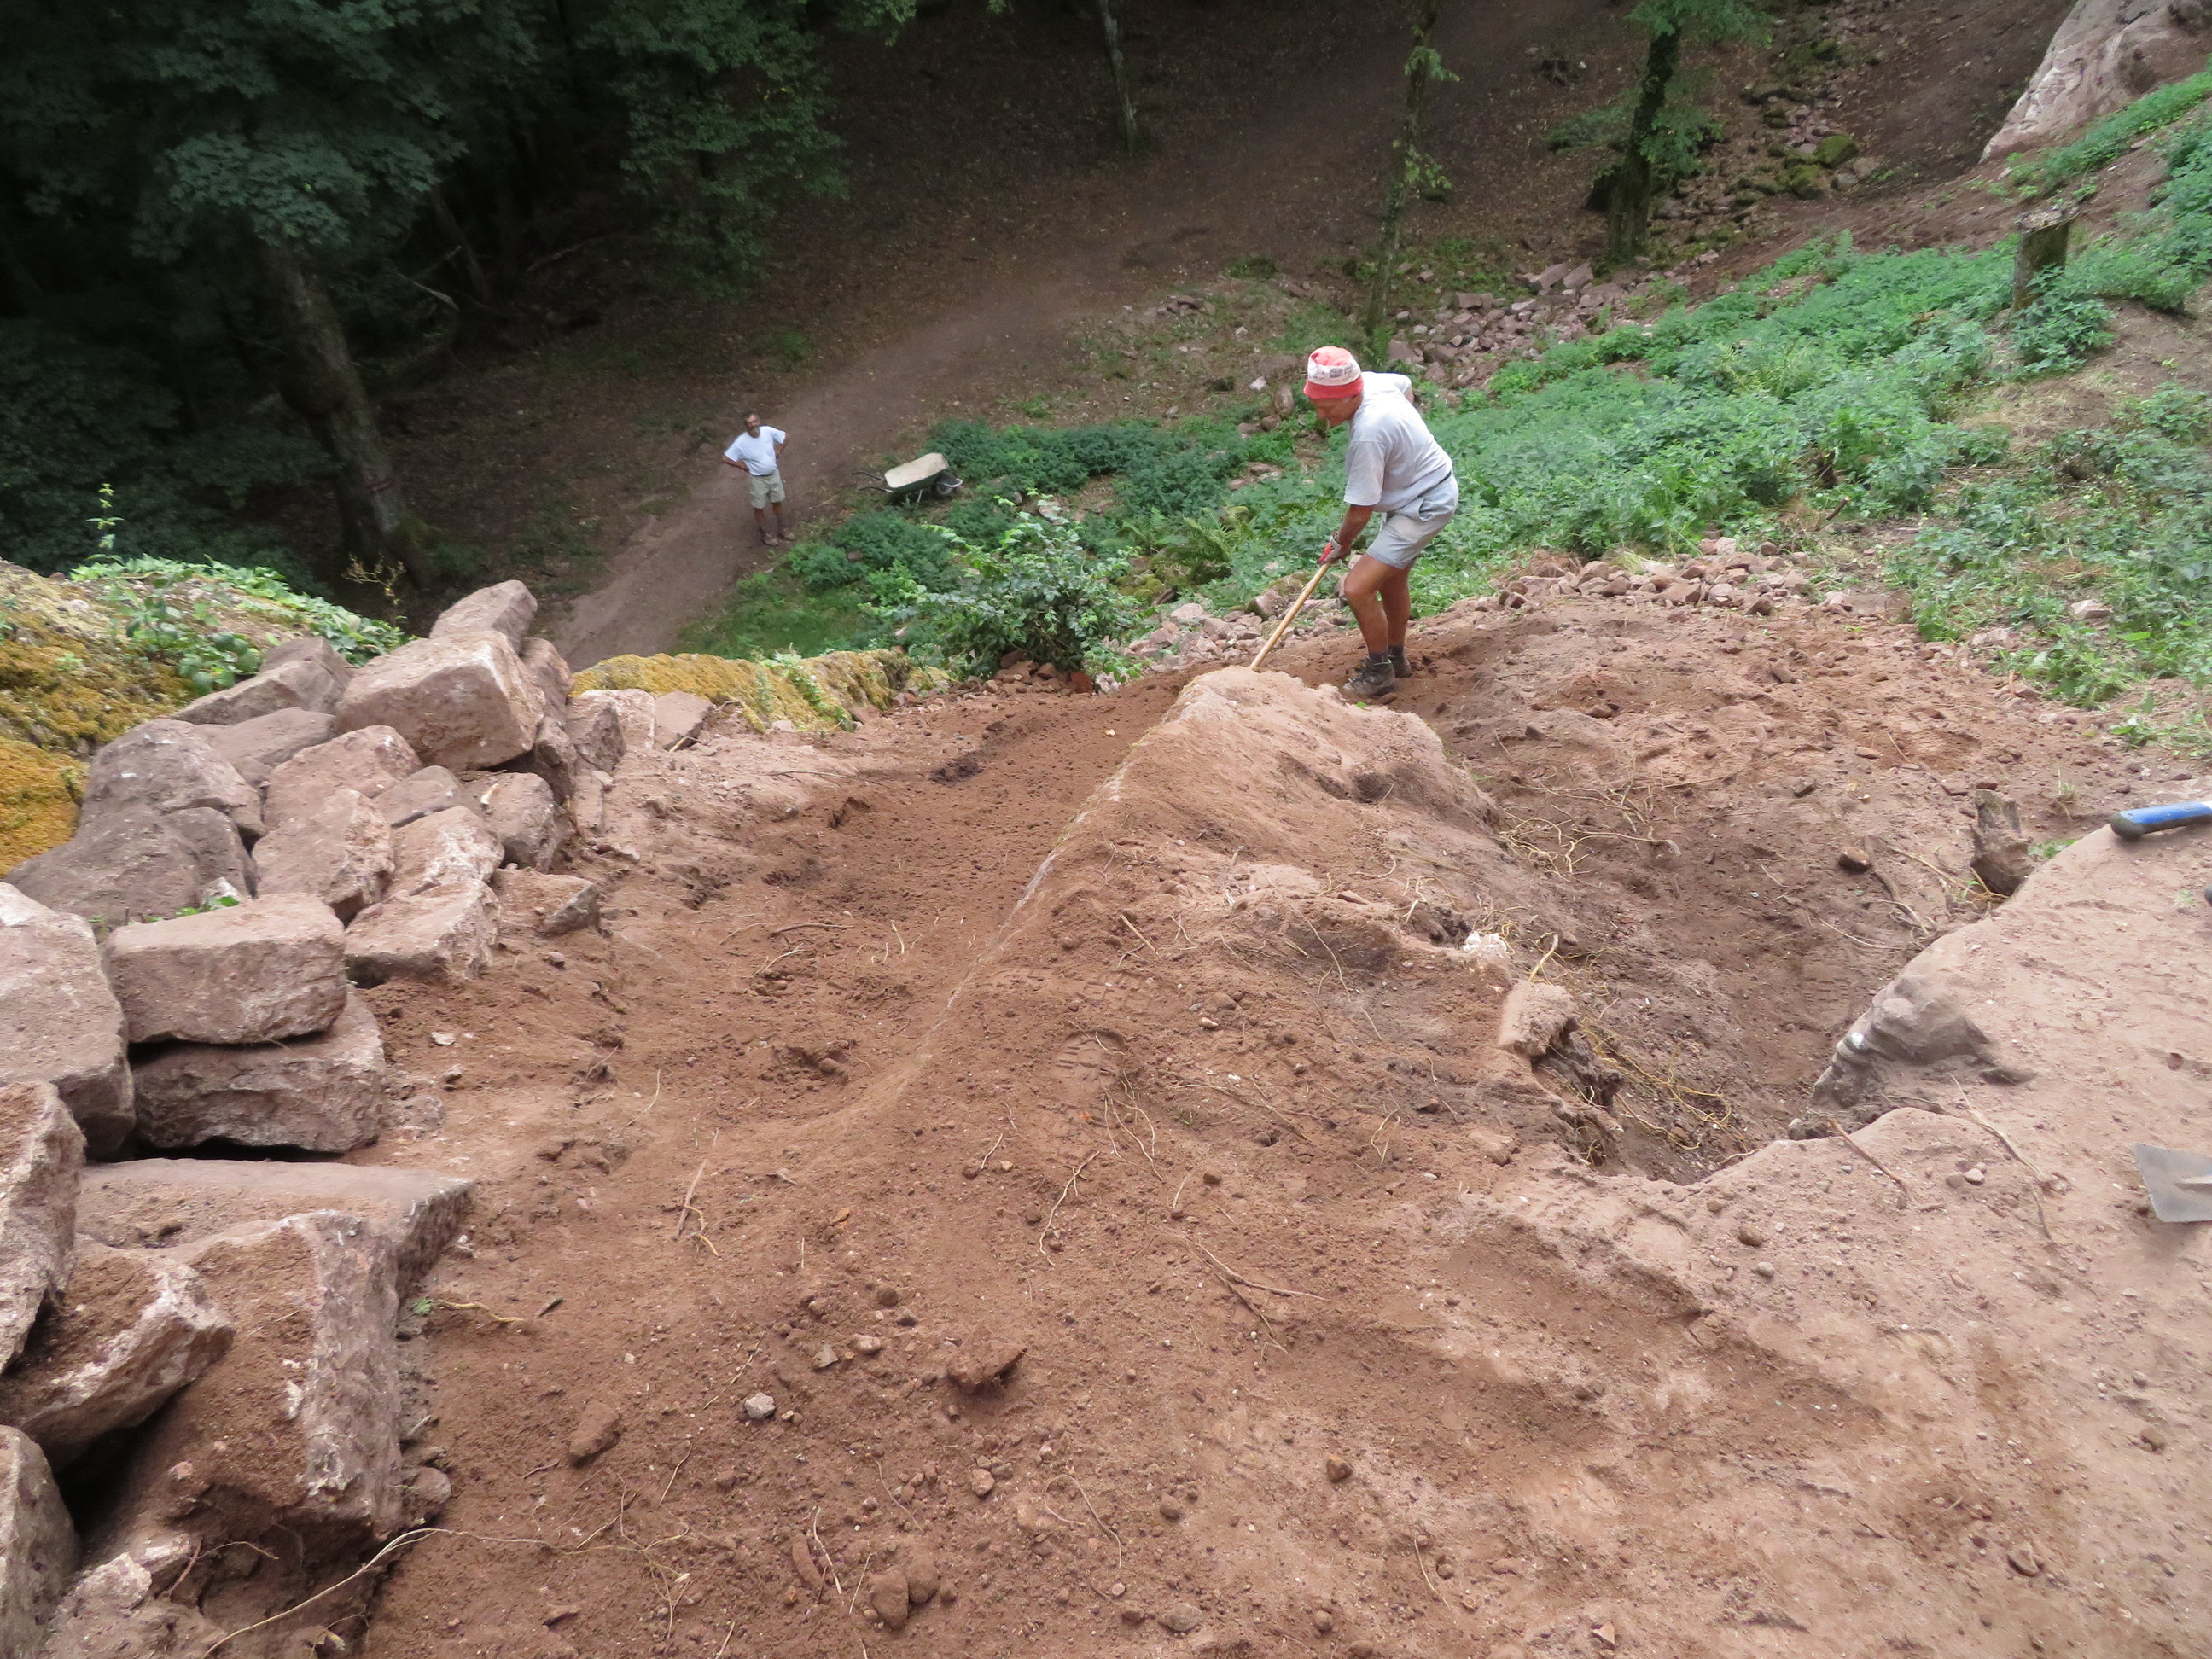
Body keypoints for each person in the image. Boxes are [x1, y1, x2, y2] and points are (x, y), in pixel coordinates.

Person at [1301, 346, 1458, 700]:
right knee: (1391, 577)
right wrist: (1405, 444)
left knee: (1357, 588)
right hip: (1420, 491)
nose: (1321, 415)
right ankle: (1396, 657)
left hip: (1426, 503)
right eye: (1316, 405)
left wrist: (1340, 543)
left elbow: (1361, 511)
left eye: (1327, 406)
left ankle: (1379, 671)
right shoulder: (1374, 383)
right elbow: (1405, 386)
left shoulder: (1369, 434)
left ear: (1350, 393)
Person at [722, 412, 790, 547]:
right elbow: (725, 458)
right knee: (759, 507)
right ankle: (764, 534)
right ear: (746, 426)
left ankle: (782, 527)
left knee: (777, 501)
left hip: (773, 474)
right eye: (749, 423)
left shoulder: (768, 431)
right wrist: (741, 466)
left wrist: (779, 451)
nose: (753, 425)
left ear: (759, 421)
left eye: (754, 421)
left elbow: (786, 437)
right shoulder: (741, 442)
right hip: (757, 479)